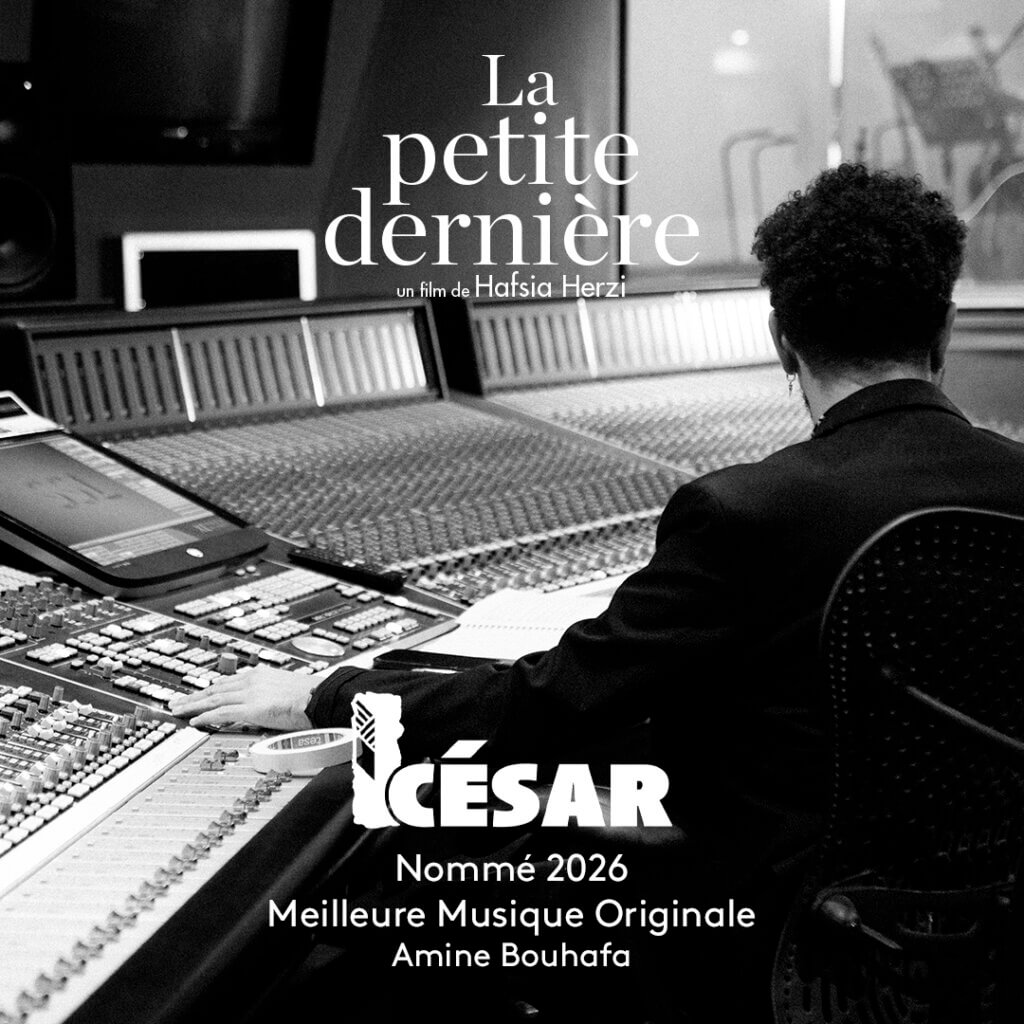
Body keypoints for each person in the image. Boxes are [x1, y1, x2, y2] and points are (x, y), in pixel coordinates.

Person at [169, 165, 1024, 1013]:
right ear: (946, 327)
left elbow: (549, 704)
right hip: (982, 945)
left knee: (389, 905)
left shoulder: (751, 511)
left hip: (768, 944)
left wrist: (327, 696)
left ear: (780, 337)